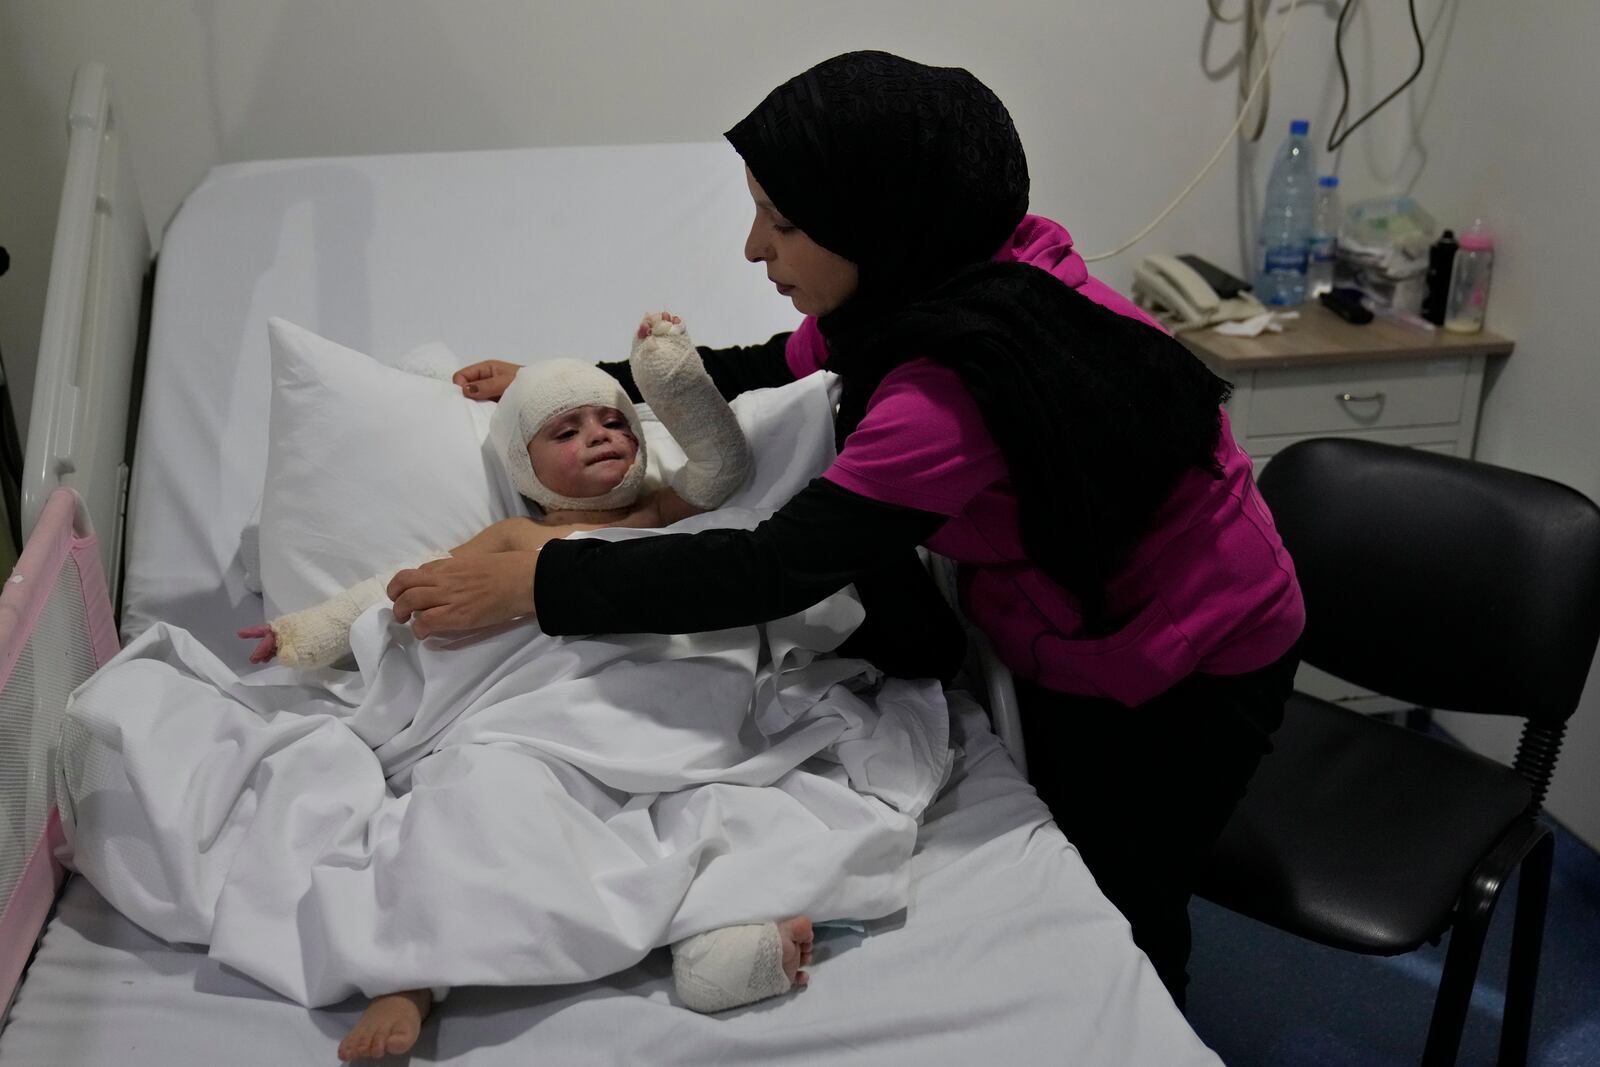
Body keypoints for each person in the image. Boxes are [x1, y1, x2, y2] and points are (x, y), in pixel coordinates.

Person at [396, 50, 1305, 1010]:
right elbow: (763, 364)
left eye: (782, 223)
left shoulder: (953, 386)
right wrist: (573, 381)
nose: (755, 249)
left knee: (1128, 885)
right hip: (1080, 610)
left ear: (877, 220)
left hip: (1200, 648)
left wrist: (542, 585)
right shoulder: (929, 280)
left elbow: (772, 567)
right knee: (1080, 817)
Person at [241, 315, 816, 1060]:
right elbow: (403, 591)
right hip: (543, 709)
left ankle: (715, 933)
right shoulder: (514, 539)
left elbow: (719, 467)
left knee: (708, 800)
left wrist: (669, 383)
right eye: (567, 431)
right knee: (474, 791)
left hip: (669, 694)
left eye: (614, 420)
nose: (602, 434)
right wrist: (307, 633)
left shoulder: (660, 510)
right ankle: (411, 970)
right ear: (523, 463)